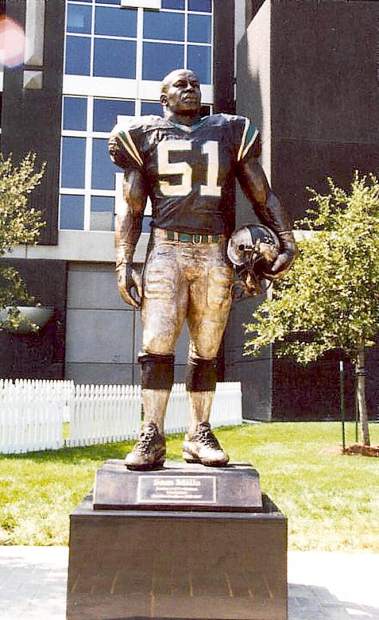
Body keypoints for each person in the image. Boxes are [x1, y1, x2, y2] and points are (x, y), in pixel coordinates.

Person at [109, 69, 297, 471]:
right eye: (179, 84)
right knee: (157, 342)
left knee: (207, 348)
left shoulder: (228, 131)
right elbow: (131, 205)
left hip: (214, 251)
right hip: (166, 249)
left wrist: (287, 238)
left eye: (194, 83)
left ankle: (198, 432)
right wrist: (124, 259)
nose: (190, 88)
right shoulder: (144, 135)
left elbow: (261, 193)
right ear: (163, 97)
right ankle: (152, 434)